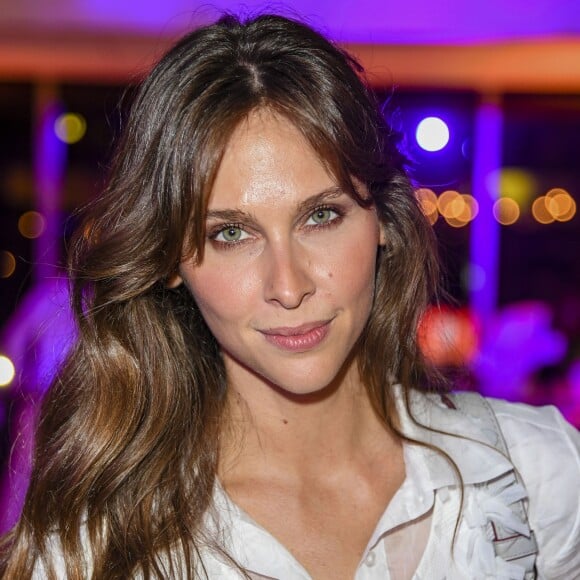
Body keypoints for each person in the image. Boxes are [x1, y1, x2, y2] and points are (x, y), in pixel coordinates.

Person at [1, 13, 579, 580]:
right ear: (172, 259)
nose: (289, 285)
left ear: (381, 220)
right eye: (230, 233)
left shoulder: (537, 474)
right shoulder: (95, 547)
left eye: (321, 216)